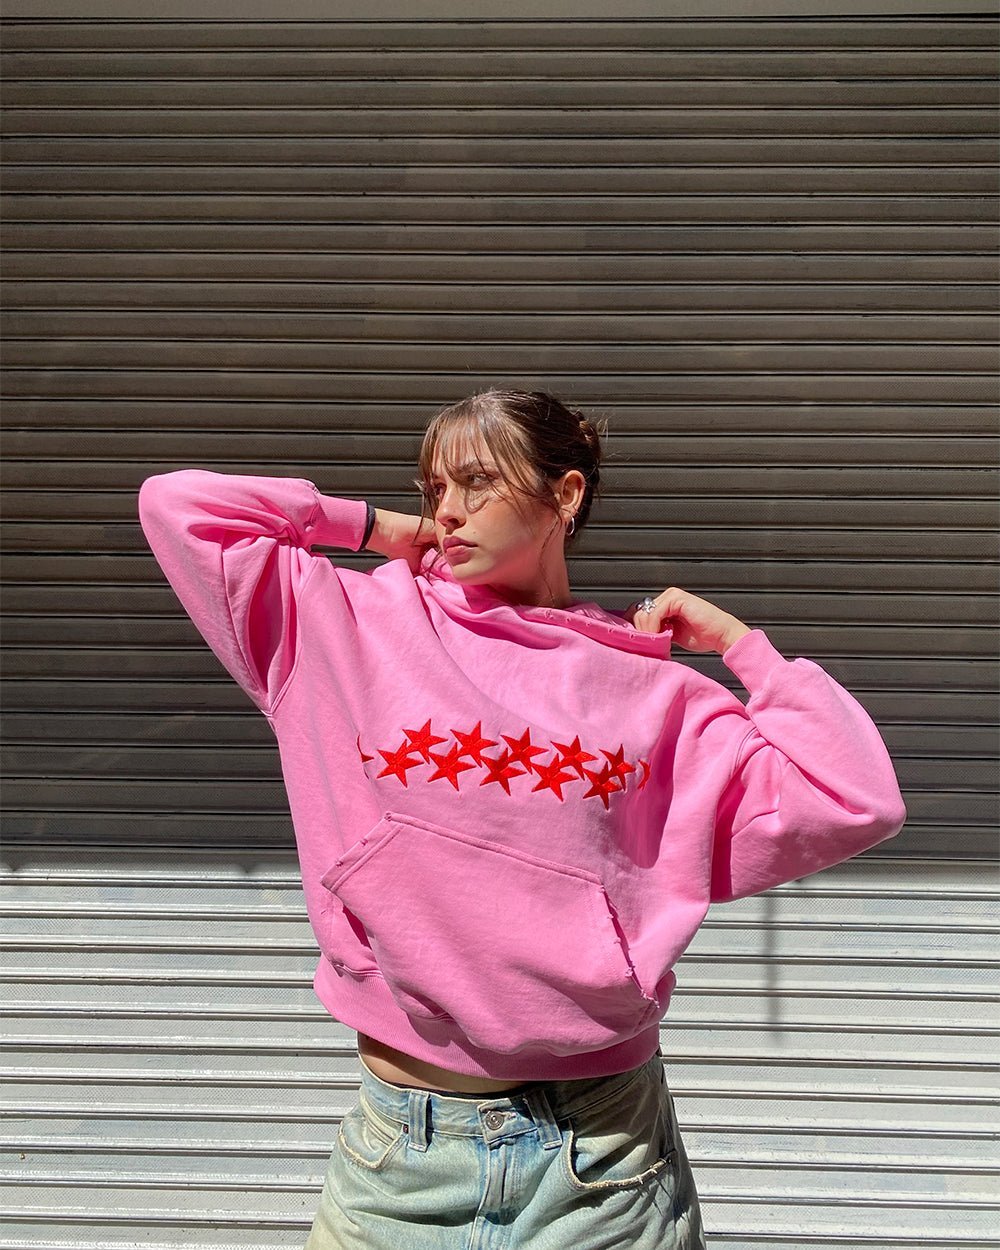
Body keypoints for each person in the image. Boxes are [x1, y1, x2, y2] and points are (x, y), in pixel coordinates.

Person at [137, 387, 907, 1249]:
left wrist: (741, 646)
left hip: (602, 1159)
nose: (448, 510)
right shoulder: (344, 621)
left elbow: (856, 797)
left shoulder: (660, 697)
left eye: (477, 482)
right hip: (398, 1157)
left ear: (564, 496)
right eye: (435, 489)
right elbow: (178, 505)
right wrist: (379, 528)